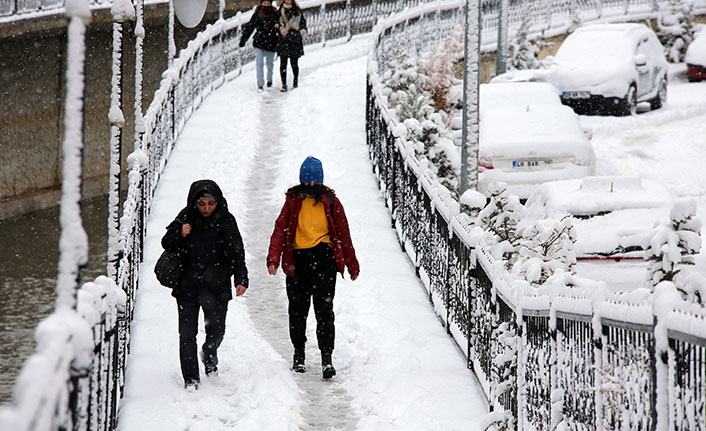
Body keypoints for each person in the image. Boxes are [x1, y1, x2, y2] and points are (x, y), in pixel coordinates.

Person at [267, 156, 359, 379]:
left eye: (313, 181)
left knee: (324, 311)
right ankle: (299, 353)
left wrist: (351, 262)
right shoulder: (293, 201)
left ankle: (327, 357)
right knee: (297, 310)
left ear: (320, 181)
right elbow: (280, 229)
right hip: (297, 261)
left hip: (324, 259)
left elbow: (343, 232)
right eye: (306, 181)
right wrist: (273, 258)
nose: (309, 185)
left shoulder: (331, 201)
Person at [161, 180, 249, 390]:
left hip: (217, 287)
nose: (207, 208)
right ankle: (191, 378)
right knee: (187, 335)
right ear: (194, 203)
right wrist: (180, 233)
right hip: (188, 287)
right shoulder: (185, 217)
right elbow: (166, 242)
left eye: (211, 203)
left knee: (217, 330)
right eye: (202, 204)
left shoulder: (226, 220)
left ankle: (210, 354)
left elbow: (237, 251)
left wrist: (241, 278)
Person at [239, 0, 280, 90]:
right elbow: (250, 27)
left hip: (271, 41)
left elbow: (280, 26)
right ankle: (260, 83)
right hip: (259, 41)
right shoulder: (257, 14)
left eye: (267, 3)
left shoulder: (275, 14)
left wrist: (277, 29)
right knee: (259, 62)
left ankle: (269, 79)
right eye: (264, 3)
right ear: (261, 4)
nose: (266, 5)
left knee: (270, 63)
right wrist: (243, 40)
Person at [275, 0, 307, 92]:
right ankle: (284, 84)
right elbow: (276, 23)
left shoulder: (297, 11)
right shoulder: (280, 11)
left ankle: (295, 82)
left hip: (295, 38)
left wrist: (302, 30)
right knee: (283, 63)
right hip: (284, 38)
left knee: (294, 63)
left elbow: (302, 22)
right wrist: (279, 29)